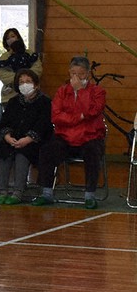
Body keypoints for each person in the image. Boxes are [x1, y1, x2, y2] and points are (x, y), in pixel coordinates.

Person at [32, 56, 106, 209]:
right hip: (65, 136)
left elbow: (92, 112)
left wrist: (81, 91)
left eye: (80, 74)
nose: (76, 77)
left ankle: (90, 195)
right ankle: (46, 192)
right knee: (47, 150)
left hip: (89, 136)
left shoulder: (98, 92)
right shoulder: (62, 91)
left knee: (93, 152)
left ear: (88, 74)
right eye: (73, 73)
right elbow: (56, 116)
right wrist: (78, 117)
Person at [0, 69, 53, 205]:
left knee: (22, 154)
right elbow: (4, 122)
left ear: (36, 85)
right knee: (4, 150)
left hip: (34, 141)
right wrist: (7, 136)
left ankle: (18, 192)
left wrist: (28, 139)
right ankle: (2, 190)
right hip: (13, 138)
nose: (24, 85)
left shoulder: (45, 102)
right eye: (21, 82)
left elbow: (44, 125)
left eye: (28, 82)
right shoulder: (13, 102)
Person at [0, 28, 42, 104]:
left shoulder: (29, 53)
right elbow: (2, 75)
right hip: (9, 97)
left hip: (32, 95)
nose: (11, 39)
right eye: (8, 38)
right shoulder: (4, 57)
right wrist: (23, 77)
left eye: (13, 36)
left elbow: (37, 70)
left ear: (18, 37)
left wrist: (22, 78)